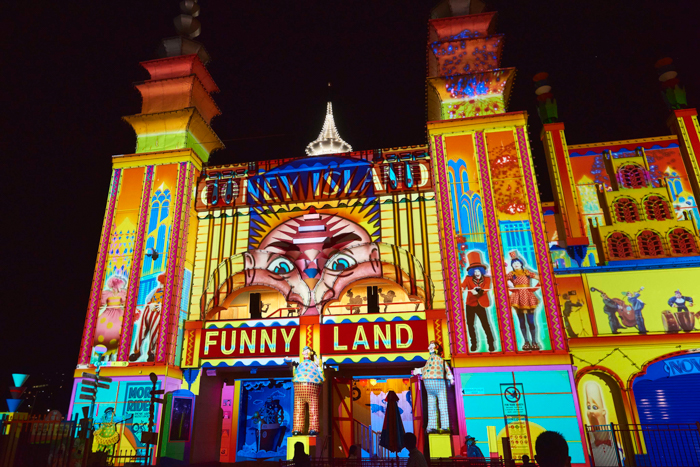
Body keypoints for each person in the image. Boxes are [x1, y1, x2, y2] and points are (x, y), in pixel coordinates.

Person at [412, 341, 453, 434]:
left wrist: (451, 377)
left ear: (436, 348)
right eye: (429, 347)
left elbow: (446, 367)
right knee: (432, 406)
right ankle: (432, 426)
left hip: (438, 381)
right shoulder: (430, 360)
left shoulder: (439, 360)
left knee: (442, 405)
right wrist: (418, 370)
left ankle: (445, 426)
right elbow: (426, 368)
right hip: (430, 383)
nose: (429, 348)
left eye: (431, 347)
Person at [461, 251, 496, 352]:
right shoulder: (468, 278)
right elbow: (463, 286)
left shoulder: (487, 279)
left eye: (478, 271)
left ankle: (491, 344)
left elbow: (484, 290)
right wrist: (462, 288)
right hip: (470, 304)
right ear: (472, 272)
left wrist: (477, 292)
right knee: (470, 325)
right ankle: (474, 344)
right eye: (475, 272)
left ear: (481, 271)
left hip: (481, 304)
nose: (477, 273)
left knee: (485, 324)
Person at [285, 346, 324, 436]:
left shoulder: (314, 365)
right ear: (302, 353)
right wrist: (290, 365)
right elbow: (294, 374)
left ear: (310, 353)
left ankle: (314, 428)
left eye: (308, 351)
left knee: (313, 410)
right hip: (299, 388)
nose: (306, 352)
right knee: (298, 409)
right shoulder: (300, 365)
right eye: (305, 351)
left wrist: (319, 366)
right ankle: (297, 429)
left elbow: (322, 378)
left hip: (312, 388)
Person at [506, 251, 541, 350]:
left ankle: (534, 341)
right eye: (513, 264)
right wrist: (511, 289)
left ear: (521, 263)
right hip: (517, 298)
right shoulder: (511, 274)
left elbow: (540, 278)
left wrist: (534, 289)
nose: (516, 265)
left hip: (528, 297)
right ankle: (526, 341)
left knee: (531, 321)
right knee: (521, 321)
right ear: (512, 266)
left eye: (517, 263)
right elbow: (502, 281)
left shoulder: (527, 272)